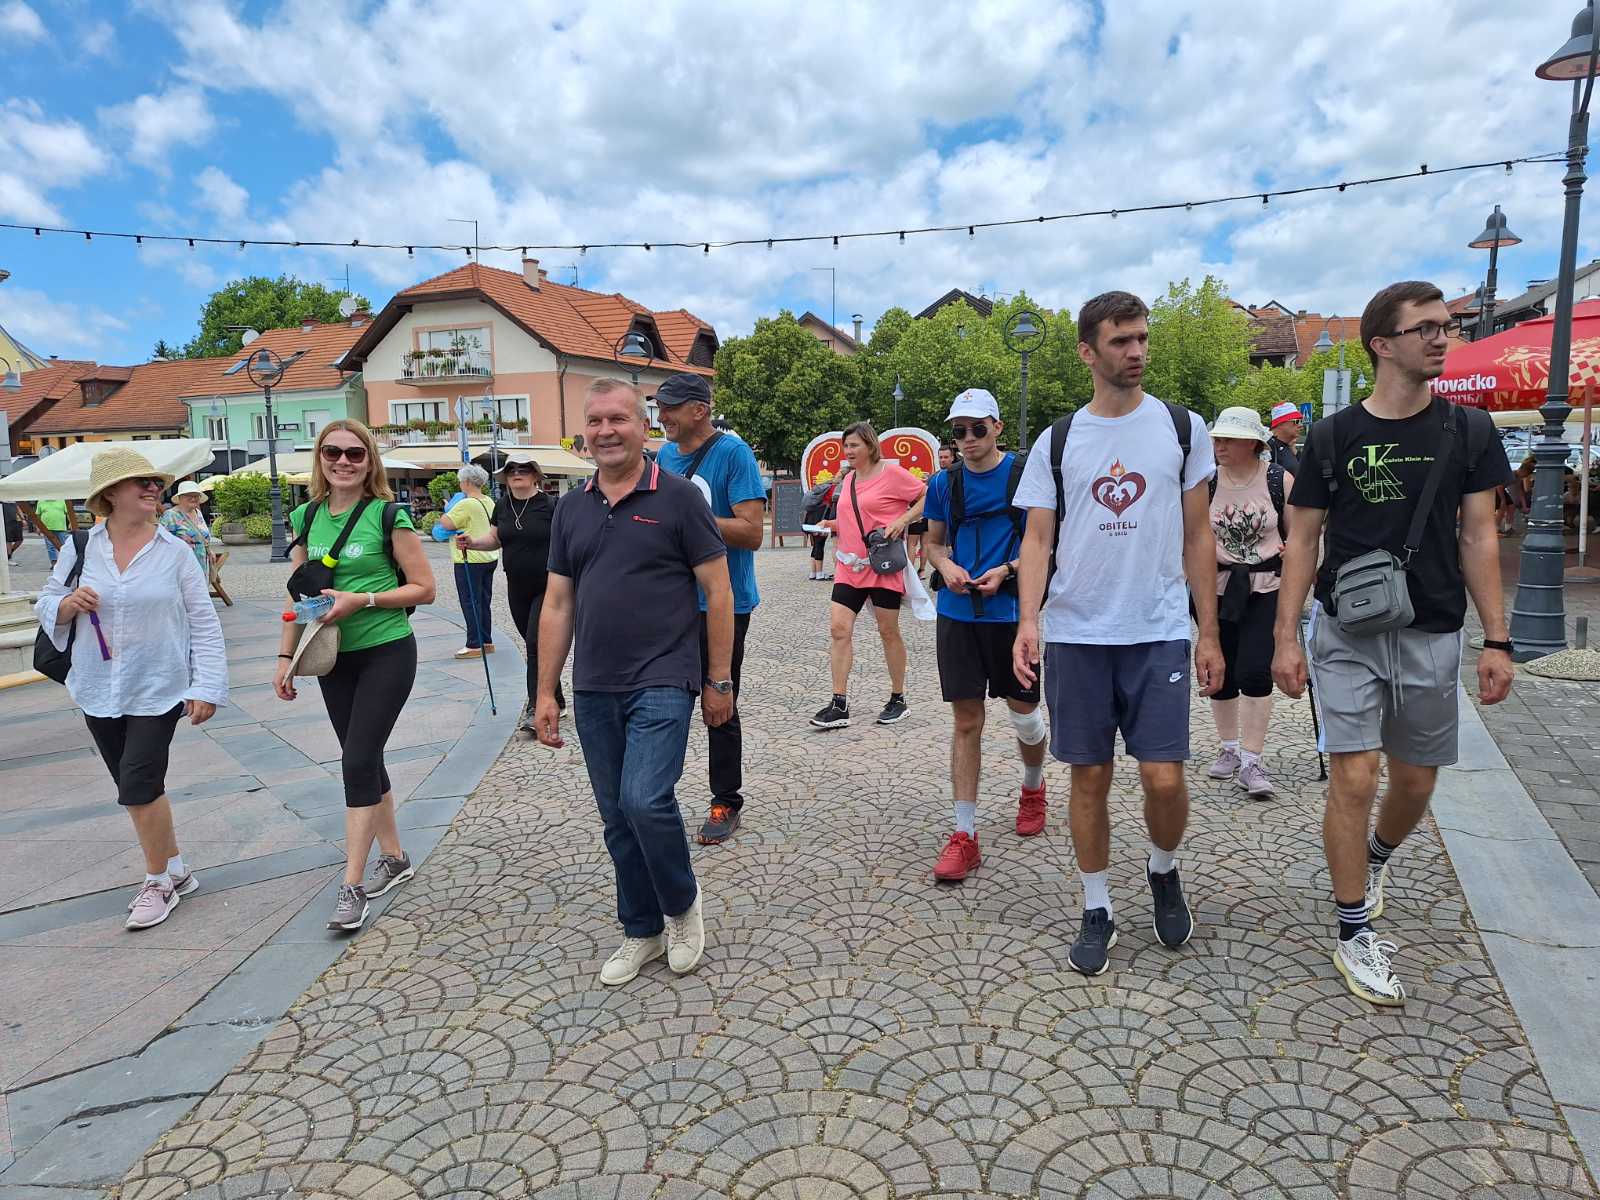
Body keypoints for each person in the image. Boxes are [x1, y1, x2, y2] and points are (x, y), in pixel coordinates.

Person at [1273, 280, 1513, 1008]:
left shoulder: (1467, 432)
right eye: (1426, 329)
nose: (1442, 338)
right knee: (1353, 776)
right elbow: (1303, 539)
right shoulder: (1333, 436)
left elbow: (1480, 535)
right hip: (1346, 629)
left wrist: (1496, 638)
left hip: (1432, 628)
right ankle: (1353, 932)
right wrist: (1285, 635)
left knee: (1414, 783)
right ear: (1383, 344)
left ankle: (1375, 857)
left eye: (1446, 327)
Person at [1012, 290, 1222, 977]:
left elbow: (1199, 535)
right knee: (1090, 776)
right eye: (1121, 341)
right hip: (1077, 631)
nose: (1136, 352)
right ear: (1087, 352)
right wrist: (1028, 620)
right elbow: (1038, 539)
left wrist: (1208, 632)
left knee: (1163, 778)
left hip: (1157, 627)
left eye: (1142, 339)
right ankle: (1096, 905)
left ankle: (1164, 869)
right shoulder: (1059, 439)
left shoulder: (1182, 428)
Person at [535, 378, 734, 987]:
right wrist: (546, 690)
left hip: (664, 676)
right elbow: (557, 603)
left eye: (617, 419)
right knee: (616, 816)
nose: (605, 431)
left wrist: (719, 680)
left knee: (646, 801)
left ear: (644, 427)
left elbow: (718, 591)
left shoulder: (678, 500)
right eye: (594, 422)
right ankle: (641, 928)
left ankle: (680, 905)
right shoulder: (570, 507)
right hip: (595, 684)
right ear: (583, 433)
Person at [34, 449, 228, 930]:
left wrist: (207, 686)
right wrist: (68, 605)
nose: (151, 488)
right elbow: (47, 602)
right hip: (98, 686)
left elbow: (203, 622)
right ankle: (177, 869)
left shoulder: (175, 552)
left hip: (157, 686)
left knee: (138, 783)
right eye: (139, 482)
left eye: (154, 481)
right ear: (109, 495)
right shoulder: (81, 547)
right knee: (136, 785)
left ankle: (158, 881)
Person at [275, 419, 437, 933]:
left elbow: (425, 589)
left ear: (370, 462)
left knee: (357, 759)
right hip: (331, 658)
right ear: (319, 460)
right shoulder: (304, 516)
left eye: (354, 453)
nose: (343, 462)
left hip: (387, 649)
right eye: (332, 453)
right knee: (365, 757)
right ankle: (394, 857)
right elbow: (298, 594)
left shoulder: (389, 516)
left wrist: (361, 599)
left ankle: (353, 883)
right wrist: (285, 658)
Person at [922, 388, 1048, 883]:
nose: (968, 439)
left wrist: (1008, 568)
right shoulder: (943, 483)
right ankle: (964, 833)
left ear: (997, 427)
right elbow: (932, 543)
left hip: (1013, 613)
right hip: (958, 613)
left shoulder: (1023, 476)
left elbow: (1045, 544)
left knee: (1025, 716)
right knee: (967, 720)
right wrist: (947, 565)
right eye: (959, 430)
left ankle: (1033, 786)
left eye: (978, 428)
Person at [654, 372, 767, 845]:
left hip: (723, 601)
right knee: (663, 698)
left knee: (718, 698)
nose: (662, 418)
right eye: (658, 408)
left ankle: (726, 799)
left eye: (671, 408)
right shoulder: (661, 455)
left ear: (699, 409)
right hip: (668, 601)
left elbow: (752, 532)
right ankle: (656, 795)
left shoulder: (733, 454)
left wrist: (688, 521)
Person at [810, 422, 926, 730]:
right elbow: (853, 518)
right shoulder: (847, 481)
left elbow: (927, 495)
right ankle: (839, 702)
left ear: (870, 446)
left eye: (854, 446)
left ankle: (898, 698)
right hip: (849, 566)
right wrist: (831, 525)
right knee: (838, 628)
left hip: (882, 565)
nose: (848, 451)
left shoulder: (892, 474)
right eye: (845, 446)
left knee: (888, 631)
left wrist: (903, 519)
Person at [1205, 407, 1292, 798]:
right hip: (1217, 588)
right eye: (1217, 439)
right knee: (1221, 670)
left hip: (1267, 585)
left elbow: (1303, 535)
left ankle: (1252, 760)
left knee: (1256, 669)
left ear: (1253, 443)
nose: (1219, 445)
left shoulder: (1279, 480)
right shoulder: (1205, 482)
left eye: (1228, 439)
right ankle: (1229, 748)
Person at [454, 451, 561, 732]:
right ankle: (556, 697)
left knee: (536, 644)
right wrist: (474, 543)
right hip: (517, 586)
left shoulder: (552, 506)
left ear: (536, 475)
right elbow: (495, 538)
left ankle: (537, 706)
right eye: (512, 469)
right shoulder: (501, 506)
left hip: (549, 586)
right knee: (536, 644)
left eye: (524, 469)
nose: (517, 472)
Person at [440, 464, 498, 659]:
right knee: (483, 601)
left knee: (469, 601)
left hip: (470, 558)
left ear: (465, 482)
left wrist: (446, 509)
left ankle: (473, 643)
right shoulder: (489, 500)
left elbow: (447, 523)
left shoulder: (466, 503)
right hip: (489, 556)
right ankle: (486, 641)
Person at [159, 481, 216, 574]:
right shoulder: (170, 515)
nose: (193, 498)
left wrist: (209, 550)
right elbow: (161, 544)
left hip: (201, 565)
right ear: (180, 497)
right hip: (180, 567)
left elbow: (201, 537)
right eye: (188, 495)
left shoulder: (198, 512)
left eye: (196, 495)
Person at [804, 477, 837, 582]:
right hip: (822, 516)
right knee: (820, 544)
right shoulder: (835, 488)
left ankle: (813, 573)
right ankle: (819, 573)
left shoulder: (825, 486)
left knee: (815, 545)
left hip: (812, 515)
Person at [34, 496, 71, 565]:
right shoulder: (41, 501)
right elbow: (38, 516)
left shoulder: (62, 500)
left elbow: (68, 513)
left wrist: (71, 523)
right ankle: (54, 563)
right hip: (46, 529)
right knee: (50, 547)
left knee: (64, 546)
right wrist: (38, 527)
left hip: (61, 528)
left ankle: (65, 562)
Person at [1267, 402, 1303, 473]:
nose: (1300, 425)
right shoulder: (1267, 448)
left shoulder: (1290, 447)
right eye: (1296, 421)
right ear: (1280, 423)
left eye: (1301, 421)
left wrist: (1294, 450)